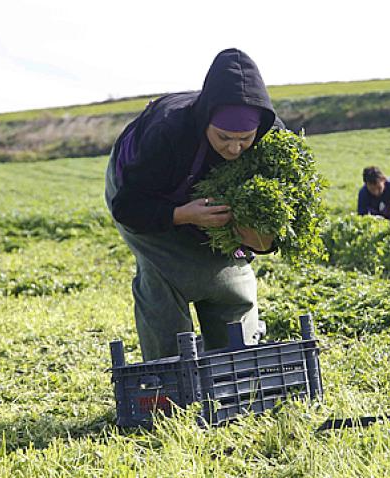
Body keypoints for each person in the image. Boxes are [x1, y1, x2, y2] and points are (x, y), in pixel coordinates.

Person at [104, 48, 283, 361]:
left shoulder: (273, 139)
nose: (235, 148)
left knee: (232, 284)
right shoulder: (168, 131)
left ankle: (233, 369)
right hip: (141, 194)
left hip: (211, 211)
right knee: (167, 277)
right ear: (206, 121)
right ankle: (171, 372)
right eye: (224, 137)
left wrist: (259, 236)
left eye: (245, 138)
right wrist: (182, 215)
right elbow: (128, 207)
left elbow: (277, 219)